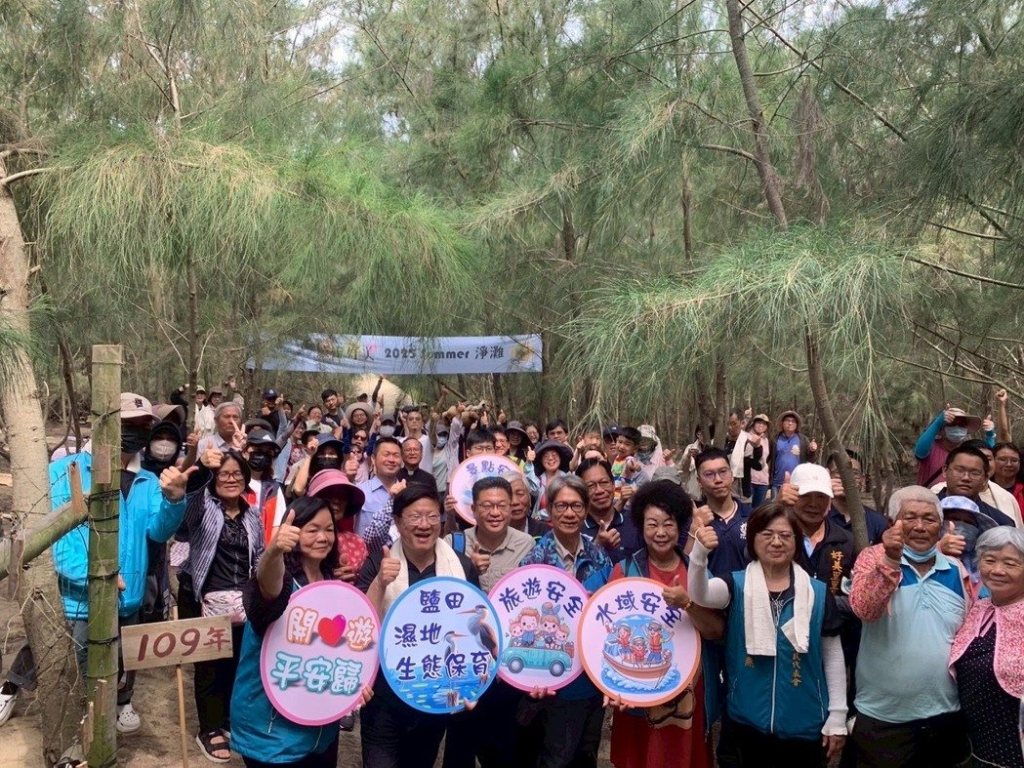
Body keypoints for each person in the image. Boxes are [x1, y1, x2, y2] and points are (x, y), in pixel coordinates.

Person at [47, 393, 192, 734]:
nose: (137, 431)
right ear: (105, 423)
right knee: (84, 682)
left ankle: (117, 712)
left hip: (129, 600)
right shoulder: (65, 471)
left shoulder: (147, 481)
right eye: (128, 424)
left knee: (121, 668)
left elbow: (158, 530)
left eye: (144, 425)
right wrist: (99, 577)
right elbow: (62, 543)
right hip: (82, 603)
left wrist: (174, 499)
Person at [688, 503, 848, 767]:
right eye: (767, 534)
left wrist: (838, 716)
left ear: (796, 542)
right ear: (752, 540)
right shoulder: (736, 585)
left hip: (804, 725)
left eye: (785, 536)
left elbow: (832, 655)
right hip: (745, 723)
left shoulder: (817, 593)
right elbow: (699, 594)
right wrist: (699, 553)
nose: (776, 542)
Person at [229, 496, 372, 767]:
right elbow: (269, 587)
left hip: (320, 729)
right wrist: (273, 553)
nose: (323, 537)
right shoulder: (282, 579)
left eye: (329, 529)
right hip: (271, 730)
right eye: (312, 529)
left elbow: (345, 647)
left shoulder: (333, 584)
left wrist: (354, 685)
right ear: (292, 532)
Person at [847, 486, 972, 768]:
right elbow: (864, 608)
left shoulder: (955, 569)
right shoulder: (873, 558)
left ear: (940, 526)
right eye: (909, 517)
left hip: (945, 715)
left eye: (929, 519)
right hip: (884, 718)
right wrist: (891, 559)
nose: (919, 526)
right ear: (893, 523)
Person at [357, 484, 480, 768]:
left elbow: (474, 630)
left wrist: (472, 686)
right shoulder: (379, 562)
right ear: (398, 522)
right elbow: (361, 626)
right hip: (384, 693)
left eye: (432, 516)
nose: (424, 525)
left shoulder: (461, 566)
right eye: (414, 517)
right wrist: (380, 582)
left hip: (433, 693)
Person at [608, 480, 724, 768]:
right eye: (652, 524)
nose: (661, 533)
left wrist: (688, 603)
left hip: (689, 691)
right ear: (640, 526)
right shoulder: (624, 572)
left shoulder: (697, 571)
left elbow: (716, 631)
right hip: (637, 691)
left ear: (681, 526)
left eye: (669, 524)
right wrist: (611, 687)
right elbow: (605, 637)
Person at [173, 450, 263, 762]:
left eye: (237, 474)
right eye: (224, 474)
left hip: (242, 603)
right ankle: (209, 729)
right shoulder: (205, 507)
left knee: (237, 662)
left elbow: (260, 552)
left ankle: (226, 720)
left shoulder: (252, 514)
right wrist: (203, 471)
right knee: (209, 665)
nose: (231, 479)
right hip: (206, 599)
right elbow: (186, 513)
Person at [518, 475, 612, 768]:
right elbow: (520, 621)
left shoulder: (599, 557)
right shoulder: (534, 559)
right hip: (551, 679)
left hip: (591, 677)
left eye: (576, 506)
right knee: (555, 756)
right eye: (561, 506)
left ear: (585, 511)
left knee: (586, 753)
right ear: (548, 510)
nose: (569, 514)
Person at [442, 477, 536, 768]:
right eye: (487, 506)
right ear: (473, 509)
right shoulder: (452, 544)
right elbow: (443, 601)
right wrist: (467, 567)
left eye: (501, 505)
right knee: (459, 746)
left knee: (503, 747)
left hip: (506, 666)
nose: (494, 512)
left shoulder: (527, 544)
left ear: (512, 508)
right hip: (463, 664)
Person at [949, 527, 1024, 768]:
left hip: (1015, 745)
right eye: (989, 560)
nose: (997, 570)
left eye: (1011, 564)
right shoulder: (979, 608)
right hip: (976, 743)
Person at [685, 449, 752, 578]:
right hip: (707, 594)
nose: (718, 480)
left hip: (746, 594)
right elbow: (684, 565)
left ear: (732, 475)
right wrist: (694, 531)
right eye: (709, 474)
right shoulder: (692, 520)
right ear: (699, 481)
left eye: (723, 472)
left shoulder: (752, 516)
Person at [577, 457, 641, 564]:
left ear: (613, 485)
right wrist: (597, 546)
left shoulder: (635, 523)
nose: (599, 490)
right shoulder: (575, 529)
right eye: (590, 486)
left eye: (604, 482)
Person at [914, 405, 993, 488]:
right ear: (942, 429)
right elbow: (920, 452)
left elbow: (988, 458)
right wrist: (937, 423)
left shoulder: (967, 451)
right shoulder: (931, 447)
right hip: (930, 498)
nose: (957, 427)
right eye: (952, 424)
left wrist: (990, 435)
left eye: (962, 425)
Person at [825, 450, 887, 545]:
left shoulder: (877, 522)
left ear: (862, 480)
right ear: (827, 476)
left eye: (854, 473)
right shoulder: (816, 516)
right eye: (839, 472)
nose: (847, 478)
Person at [356, 437, 405, 550]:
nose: (391, 460)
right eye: (386, 454)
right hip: (367, 560)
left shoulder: (408, 493)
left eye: (396, 455)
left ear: (402, 461)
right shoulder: (360, 492)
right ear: (373, 459)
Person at [770, 411, 817, 496]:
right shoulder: (775, 439)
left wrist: (812, 451)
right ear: (782, 423)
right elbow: (769, 459)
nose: (790, 423)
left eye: (793, 421)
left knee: (794, 508)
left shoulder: (803, 439)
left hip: (796, 483)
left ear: (797, 424)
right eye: (787, 420)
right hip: (777, 483)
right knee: (775, 508)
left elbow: (811, 460)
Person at [526, 439, 572, 520]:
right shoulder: (539, 480)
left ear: (560, 458)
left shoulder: (568, 479)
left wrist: (539, 514)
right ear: (541, 461)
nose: (550, 458)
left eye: (554, 455)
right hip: (540, 528)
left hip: (565, 523)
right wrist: (529, 463)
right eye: (546, 456)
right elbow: (532, 489)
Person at [991, 442, 1024, 522]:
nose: (1009, 464)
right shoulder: (983, 490)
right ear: (992, 461)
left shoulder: (1022, 490)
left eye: (1014, 460)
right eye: (1002, 459)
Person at [747, 414, 772, 508]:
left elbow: (767, 458)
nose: (761, 425)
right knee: (747, 509)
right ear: (753, 424)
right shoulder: (747, 437)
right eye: (759, 422)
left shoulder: (766, 440)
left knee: (758, 510)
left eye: (764, 424)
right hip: (749, 480)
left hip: (763, 481)